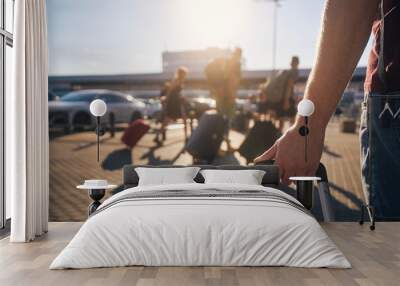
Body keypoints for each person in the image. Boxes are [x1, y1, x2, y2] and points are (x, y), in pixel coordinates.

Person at [255, 0, 400, 220]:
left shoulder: (287, 73)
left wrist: (308, 127)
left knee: (391, 245)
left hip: (393, 94)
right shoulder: (290, 73)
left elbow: (353, 5)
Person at [212, 47, 242, 152]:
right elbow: (231, 80)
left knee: (222, 121)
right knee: (226, 122)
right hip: (227, 97)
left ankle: (222, 146)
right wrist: (232, 96)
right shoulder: (235, 64)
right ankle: (221, 146)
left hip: (221, 96)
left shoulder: (228, 63)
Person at [262, 56, 299, 131]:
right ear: (297, 63)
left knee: (281, 120)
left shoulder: (286, 72)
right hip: (287, 97)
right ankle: (291, 138)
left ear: (290, 62)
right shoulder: (294, 71)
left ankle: (278, 137)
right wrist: (286, 100)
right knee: (293, 119)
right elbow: (289, 85)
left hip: (279, 98)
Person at [154, 67, 188, 145]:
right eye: (184, 74)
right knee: (167, 120)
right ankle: (157, 136)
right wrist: (166, 101)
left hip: (178, 102)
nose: (185, 75)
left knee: (184, 119)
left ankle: (186, 137)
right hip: (174, 103)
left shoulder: (180, 81)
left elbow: (177, 92)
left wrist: (181, 97)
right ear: (181, 74)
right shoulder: (176, 80)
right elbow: (170, 91)